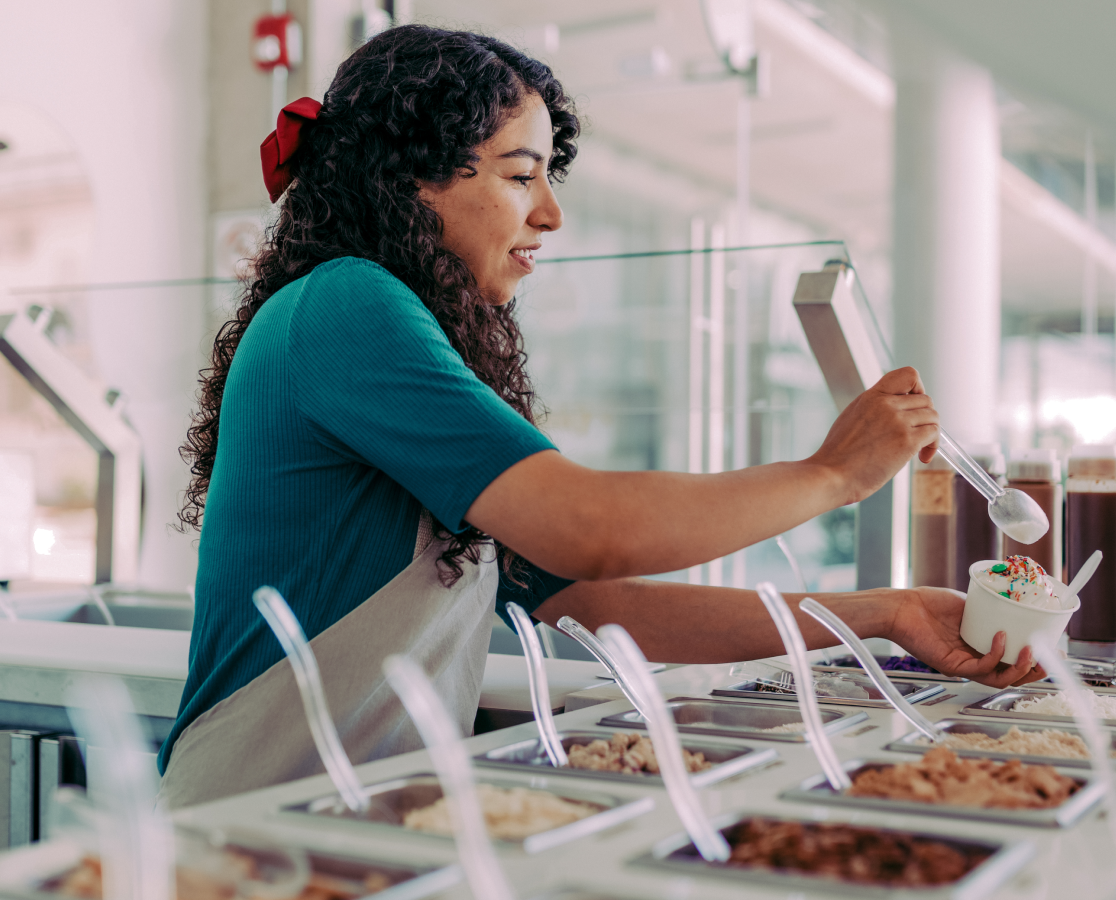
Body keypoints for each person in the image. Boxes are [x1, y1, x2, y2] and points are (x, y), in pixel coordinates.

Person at [159, 25, 1043, 808]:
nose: (551, 212)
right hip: (250, 820)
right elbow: (593, 530)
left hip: (352, 817)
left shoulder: (378, 321)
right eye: (520, 175)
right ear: (409, 182)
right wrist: (832, 476)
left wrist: (884, 615)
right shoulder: (347, 306)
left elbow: (595, 601)